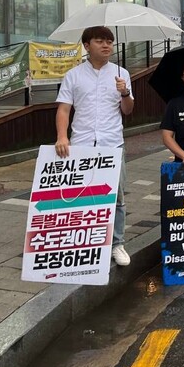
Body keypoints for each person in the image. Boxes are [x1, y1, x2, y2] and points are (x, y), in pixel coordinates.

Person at [55, 26, 134, 266]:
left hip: (112, 143)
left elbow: (128, 110)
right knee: (79, 194)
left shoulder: (121, 74)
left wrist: (125, 93)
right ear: (87, 46)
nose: (107, 45)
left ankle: (116, 244)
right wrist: (62, 136)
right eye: (100, 41)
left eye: (109, 41)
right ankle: (83, 242)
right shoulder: (74, 75)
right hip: (81, 143)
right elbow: (64, 109)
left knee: (116, 197)